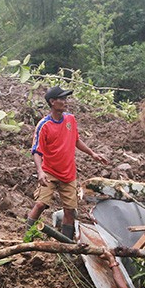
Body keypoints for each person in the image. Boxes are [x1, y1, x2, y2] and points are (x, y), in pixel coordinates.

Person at [25, 86, 108, 241]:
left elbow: (76, 140)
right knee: (41, 204)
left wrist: (93, 154)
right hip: (49, 171)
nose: (65, 102)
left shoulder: (70, 119)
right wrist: (40, 172)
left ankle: (66, 246)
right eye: (62, 99)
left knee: (70, 211)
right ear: (52, 102)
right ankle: (27, 238)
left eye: (65, 98)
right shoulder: (44, 125)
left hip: (69, 173)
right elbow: (36, 151)